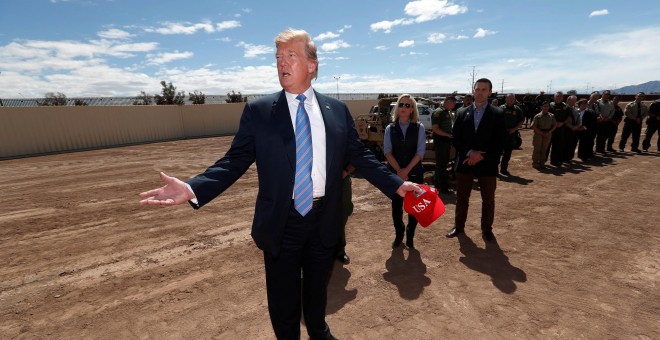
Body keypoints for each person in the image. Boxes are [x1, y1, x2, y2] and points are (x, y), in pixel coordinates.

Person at [138, 28, 420, 340]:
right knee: (283, 304)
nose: (281, 62)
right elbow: (235, 159)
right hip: (281, 222)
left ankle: (318, 330)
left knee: (317, 290)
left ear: (311, 65)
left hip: (324, 218)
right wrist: (193, 188)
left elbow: (360, 156)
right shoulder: (260, 111)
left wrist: (396, 184)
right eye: (277, 57)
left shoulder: (336, 111)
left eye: (290, 55)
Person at [446, 78, 507, 243]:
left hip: (487, 164)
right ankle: (459, 227)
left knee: (488, 199)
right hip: (465, 162)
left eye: (484, 89)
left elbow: (500, 141)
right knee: (462, 198)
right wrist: (470, 152)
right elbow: (456, 138)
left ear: (489, 92)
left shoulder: (498, 114)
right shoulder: (461, 112)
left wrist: (480, 156)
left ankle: (487, 230)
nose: (480, 92)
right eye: (477, 89)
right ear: (473, 91)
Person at [384, 94, 427, 249]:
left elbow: (420, 152)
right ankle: (399, 234)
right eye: (401, 104)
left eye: (407, 105)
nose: (403, 108)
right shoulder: (390, 128)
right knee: (396, 206)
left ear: (412, 110)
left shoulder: (419, 127)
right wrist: (399, 171)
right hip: (396, 175)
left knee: (414, 207)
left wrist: (406, 170)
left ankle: (410, 236)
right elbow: (387, 152)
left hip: (414, 173)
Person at [432, 95, 456, 193]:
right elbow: (435, 128)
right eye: (453, 104)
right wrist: (447, 135)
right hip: (441, 141)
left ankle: (438, 184)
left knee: (442, 164)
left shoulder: (446, 112)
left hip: (445, 140)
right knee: (441, 165)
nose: (454, 106)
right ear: (448, 101)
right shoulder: (438, 112)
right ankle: (443, 187)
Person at [499, 93, 524, 176]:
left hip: (511, 134)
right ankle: (494, 170)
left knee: (508, 153)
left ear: (514, 100)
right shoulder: (501, 108)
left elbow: (521, 121)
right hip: (501, 134)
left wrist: (514, 129)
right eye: (509, 98)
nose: (510, 100)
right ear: (505, 99)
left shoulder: (517, 109)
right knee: (497, 152)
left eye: (512, 98)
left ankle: (503, 169)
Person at [335, 163, 355, 265]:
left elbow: (356, 158)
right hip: (321, 181)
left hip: (343, 181)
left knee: (343, 214)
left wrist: (346, 171)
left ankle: (340, 250)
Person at [531, 101, 557, 169]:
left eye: (547, 106)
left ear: (549, 107)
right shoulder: (537, 116)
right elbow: (533, 126)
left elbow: (555, 125)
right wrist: (542, 133)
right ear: (541, 107)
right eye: (544, 106)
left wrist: (550, 132)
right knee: (537, 149)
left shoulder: (551, 116)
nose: (545, 107)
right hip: (538, 134)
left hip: (548, 134)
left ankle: (542, 163)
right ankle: (535, 163)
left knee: (544, 149)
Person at [548, 91, 571, 166]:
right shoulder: (550, 105)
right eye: (557, 96)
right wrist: (554, 123)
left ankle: (556, 161)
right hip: (550, 128)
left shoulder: (566, 106)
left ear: (562, 97)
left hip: (560, 128)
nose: (559, 98)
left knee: (558, 145)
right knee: (547, 145)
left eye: (560, 96)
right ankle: (542, 161)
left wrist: (563, 123)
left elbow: (568, 117)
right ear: (554, 97)